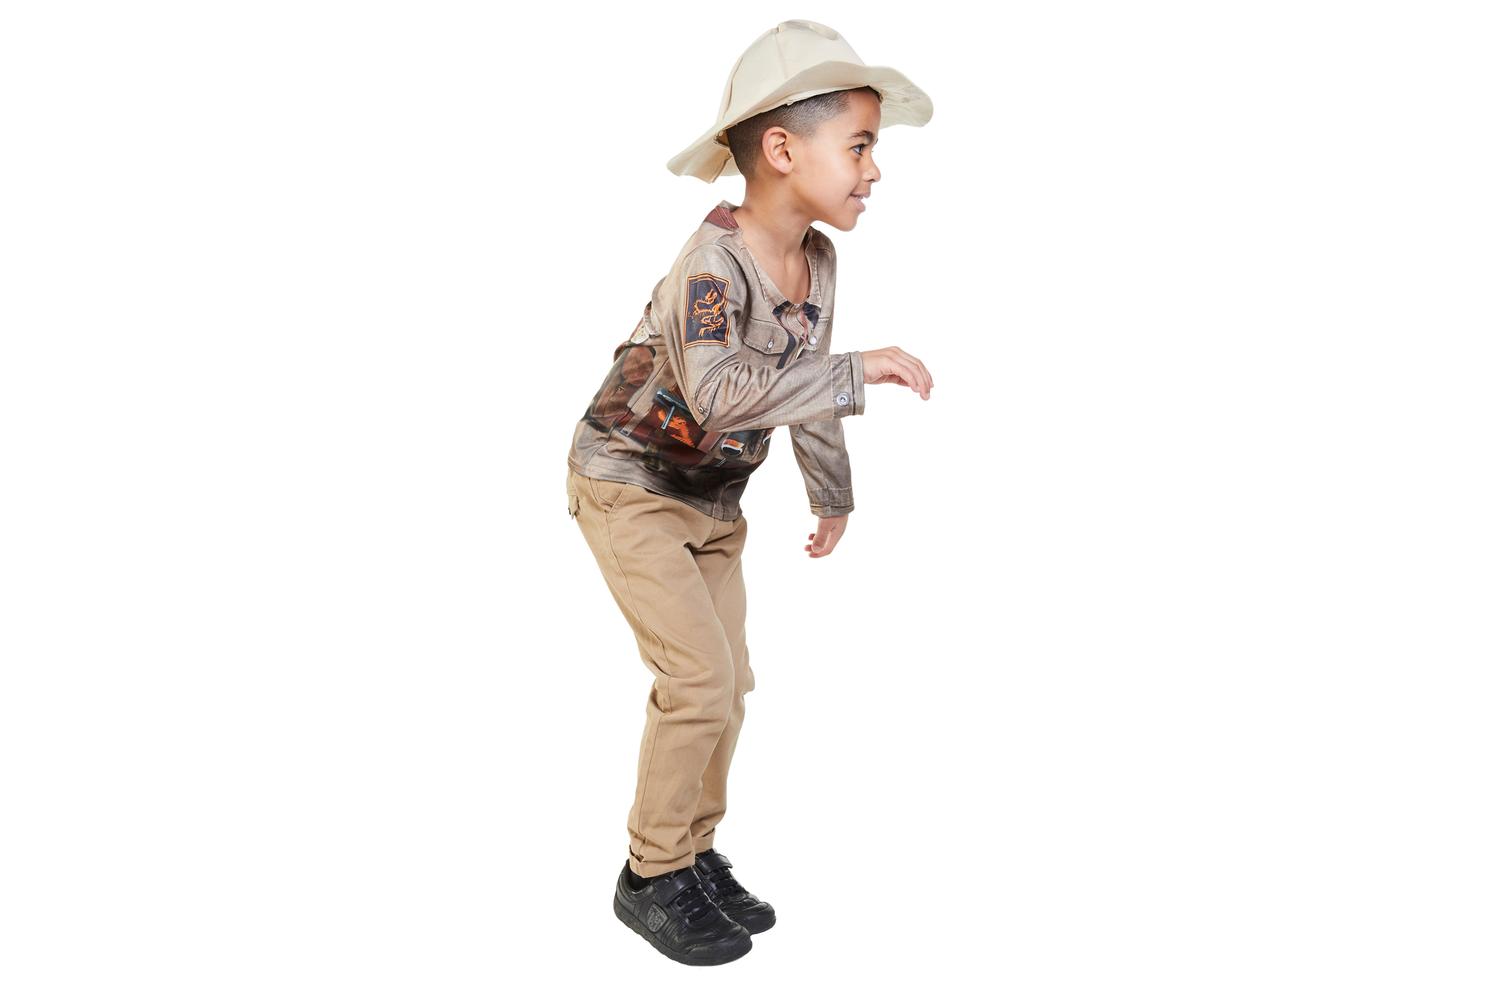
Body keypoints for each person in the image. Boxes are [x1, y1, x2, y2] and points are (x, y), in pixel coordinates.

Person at [564, 20, 935, 965]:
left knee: (730, 685)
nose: (874, 171)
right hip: (630, 485)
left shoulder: (818, 262)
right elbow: (721, 393)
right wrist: (861, 367)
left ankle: (691, 854)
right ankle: (650, 874)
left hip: (713, 502)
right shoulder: (712, 266)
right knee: (696, 680)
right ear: (782, 149)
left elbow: (803, 384)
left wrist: (831, 492)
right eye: (860, 146)